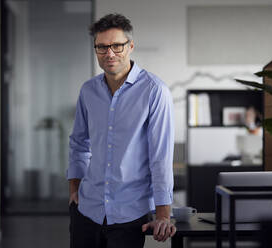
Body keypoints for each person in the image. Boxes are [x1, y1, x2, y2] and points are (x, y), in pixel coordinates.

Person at [67, 13, 176, 248]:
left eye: (117, 45)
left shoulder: (155, 91)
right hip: (87, 210)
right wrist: (74, 188)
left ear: (131, 46)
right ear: (95, 49)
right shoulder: (88, 91)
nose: (110, 53)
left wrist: (163, 214)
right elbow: (78, 143)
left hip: (130, 214)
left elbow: (161, 158)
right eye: (102, 47)